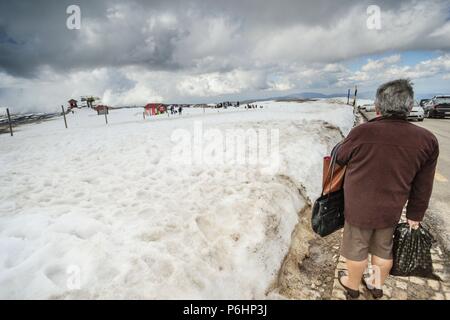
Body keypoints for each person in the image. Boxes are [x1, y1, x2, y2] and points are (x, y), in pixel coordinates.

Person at [335, 79, 439, 299]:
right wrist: (415, 215)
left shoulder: (361, 132)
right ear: (409, 107)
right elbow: (424, 183)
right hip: (391, 207)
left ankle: (351, 286)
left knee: (356, 248)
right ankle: (375, 286)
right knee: (383, 248)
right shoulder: (427, 140)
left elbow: (341, 157)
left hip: (358, 205)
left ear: (378, 106)